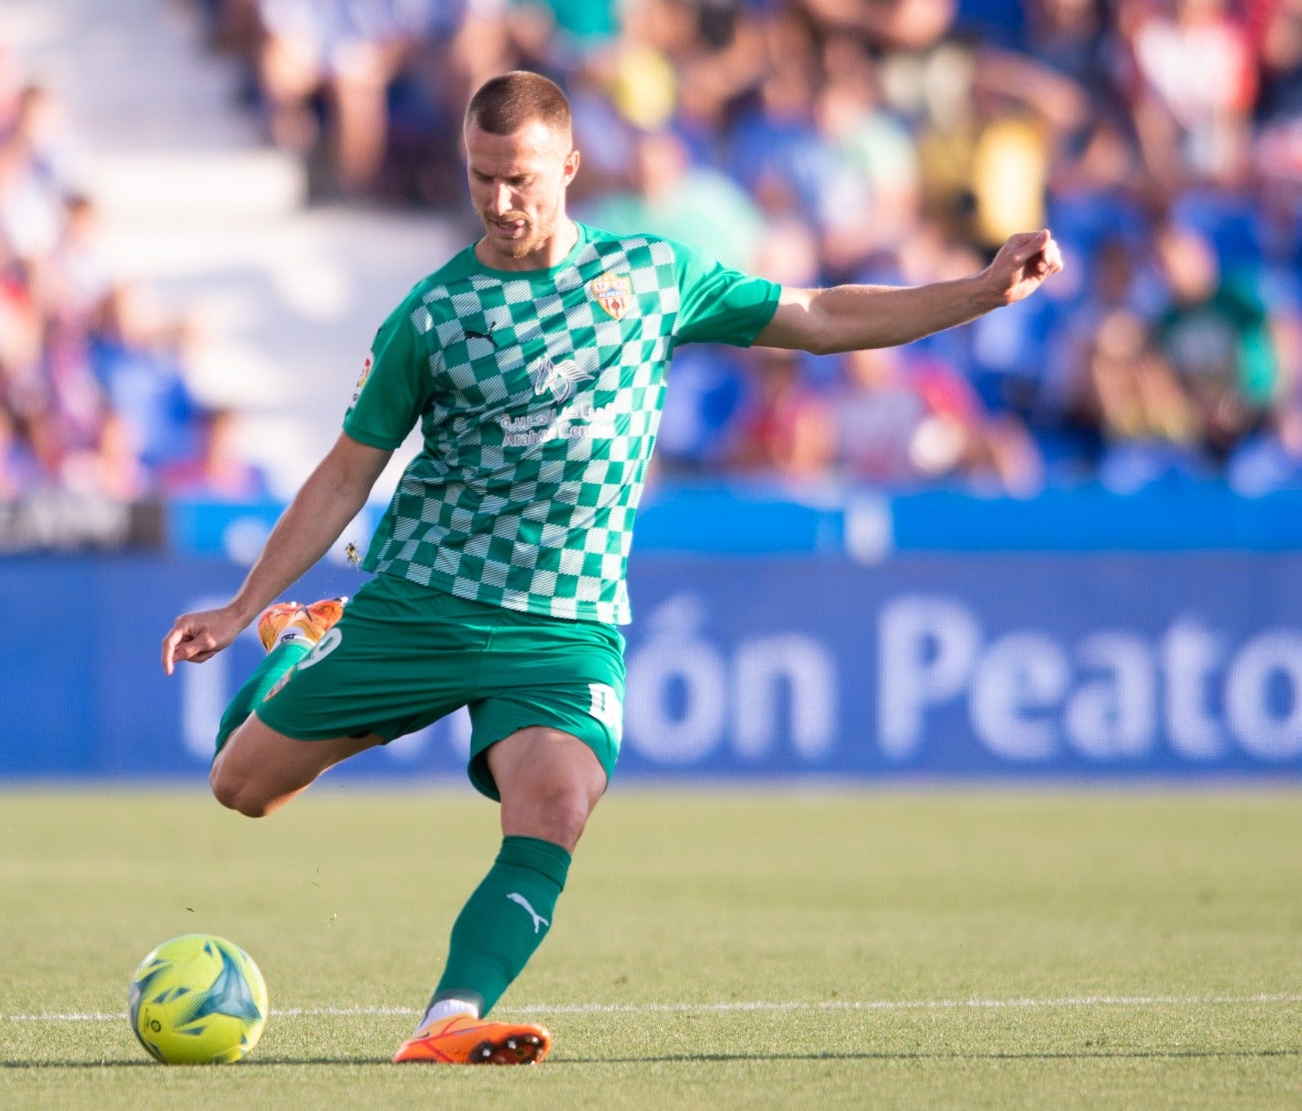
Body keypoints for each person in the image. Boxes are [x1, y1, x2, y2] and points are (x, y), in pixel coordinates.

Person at [160, 70, 1063, 1066]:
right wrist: (244, 606)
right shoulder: (433, 315)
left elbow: (816, 315)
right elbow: (345, 474)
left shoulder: (652, 276)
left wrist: (979, 291)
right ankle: (300, 643)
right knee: (241, 786)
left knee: (555, 806)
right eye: (481, 177)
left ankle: (448, 1018)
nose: (500, 200)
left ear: (571, 168)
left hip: (565, 623)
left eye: (520, 178)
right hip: (428, 601)